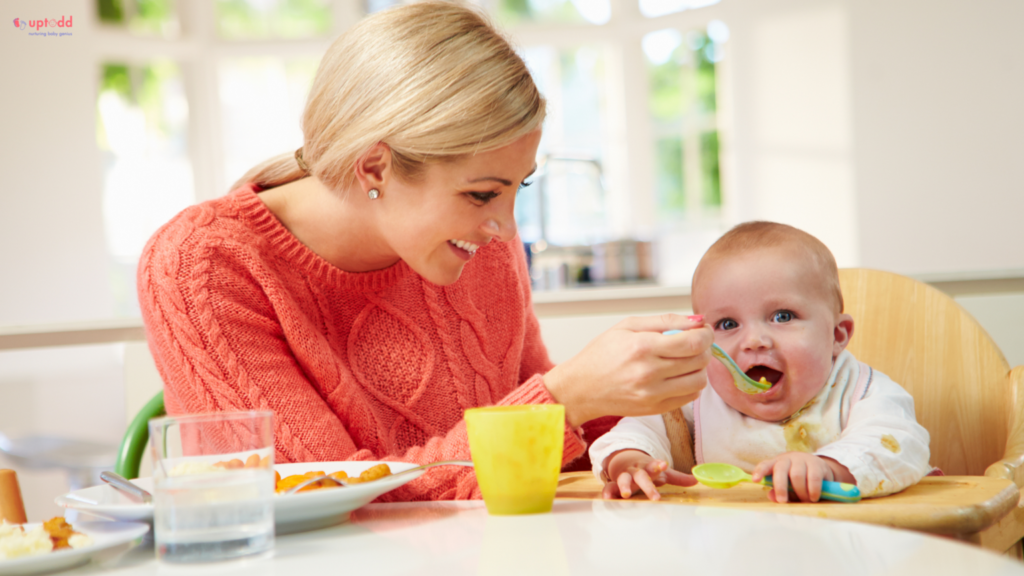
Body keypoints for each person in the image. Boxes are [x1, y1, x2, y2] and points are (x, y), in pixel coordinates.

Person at [137, 1, 713, 502]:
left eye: (518, 187)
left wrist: (635, 434)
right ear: (374, 167)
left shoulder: (473, 244)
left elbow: (553, 453)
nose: (505, 229)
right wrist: (565, 399)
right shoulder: (201, 265)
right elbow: (320, 496)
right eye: (483, 193)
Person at [590, 222, 932, 503]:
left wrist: (828, 467)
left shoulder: (862, 391)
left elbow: (899, 444)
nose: (754, 340)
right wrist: (629, 460)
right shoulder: (697, 396)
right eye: (727, 324)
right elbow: (639, 428)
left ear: (837, 335)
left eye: (783, 316)